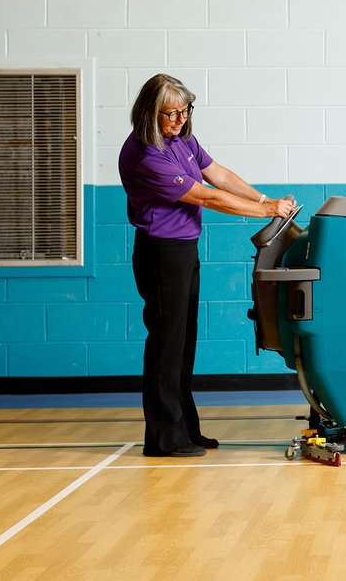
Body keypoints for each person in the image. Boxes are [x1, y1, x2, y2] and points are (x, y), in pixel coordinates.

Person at [119, 74, 294, 458]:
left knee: (183, 345)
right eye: (172, 114)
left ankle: (185, 430)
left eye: (185, 111)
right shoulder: (147, 155)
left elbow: (219, 175)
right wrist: (266, 211)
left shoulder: (181, 142)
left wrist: (265, 198)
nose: (180, 119)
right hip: (161, 253)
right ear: (151, 113)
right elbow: (206, 197)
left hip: (183, 250)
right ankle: (164, 438)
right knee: (166, 345)